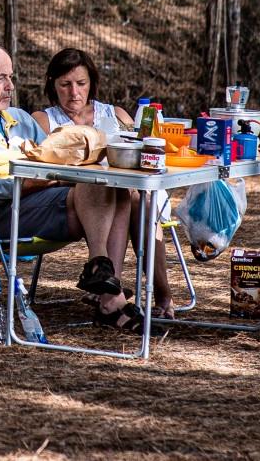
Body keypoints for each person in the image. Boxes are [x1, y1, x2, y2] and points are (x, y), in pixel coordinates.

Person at [0, 41, 146, 331]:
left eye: (11, 77)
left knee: (115, 189)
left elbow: (56, 163)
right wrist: (18, 186)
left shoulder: (22, 120)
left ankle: (105, 287)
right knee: (100, 189)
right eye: (1, 78)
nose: (10, 86)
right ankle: (107, 289)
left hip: (41, 204)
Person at [30, 47, 177, 318]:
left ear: (92, 83)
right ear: (52, 85)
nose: (74, 92)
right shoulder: (43, 121)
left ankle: (147, 292)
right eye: (65, 84)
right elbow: (41, 167)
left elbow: (140, 158)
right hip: (80, 195)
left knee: (138, 199)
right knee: (124, 196)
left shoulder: (116, 115)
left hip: (127, 192)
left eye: (81, 84)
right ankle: (122, 292)